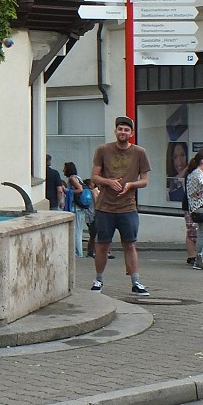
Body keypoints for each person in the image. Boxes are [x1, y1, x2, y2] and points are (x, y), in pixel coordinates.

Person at [90, 116, 151, 296]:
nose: (122, 132)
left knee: (129, 245)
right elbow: (94, 176)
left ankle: (136, 282)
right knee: (102, 245)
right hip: (105, 207)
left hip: (128, 207)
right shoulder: (103, 150)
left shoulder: (139, 152)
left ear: (131, 133)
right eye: (120, 129)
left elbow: (145, 181)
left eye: (126, 130)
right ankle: (98, 280)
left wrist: (131, 185)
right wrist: (108, 182)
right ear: (115, 131)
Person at [62, 162, 86, 258]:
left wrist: (67, 191)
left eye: (64, 168)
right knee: (78, 231)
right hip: (79, 208)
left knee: (77, 232)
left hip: (76, 209)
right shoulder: (77, 177)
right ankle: (78, 252)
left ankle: (78, 253)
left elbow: (80, 189)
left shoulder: (72, 178)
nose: (63, 170)